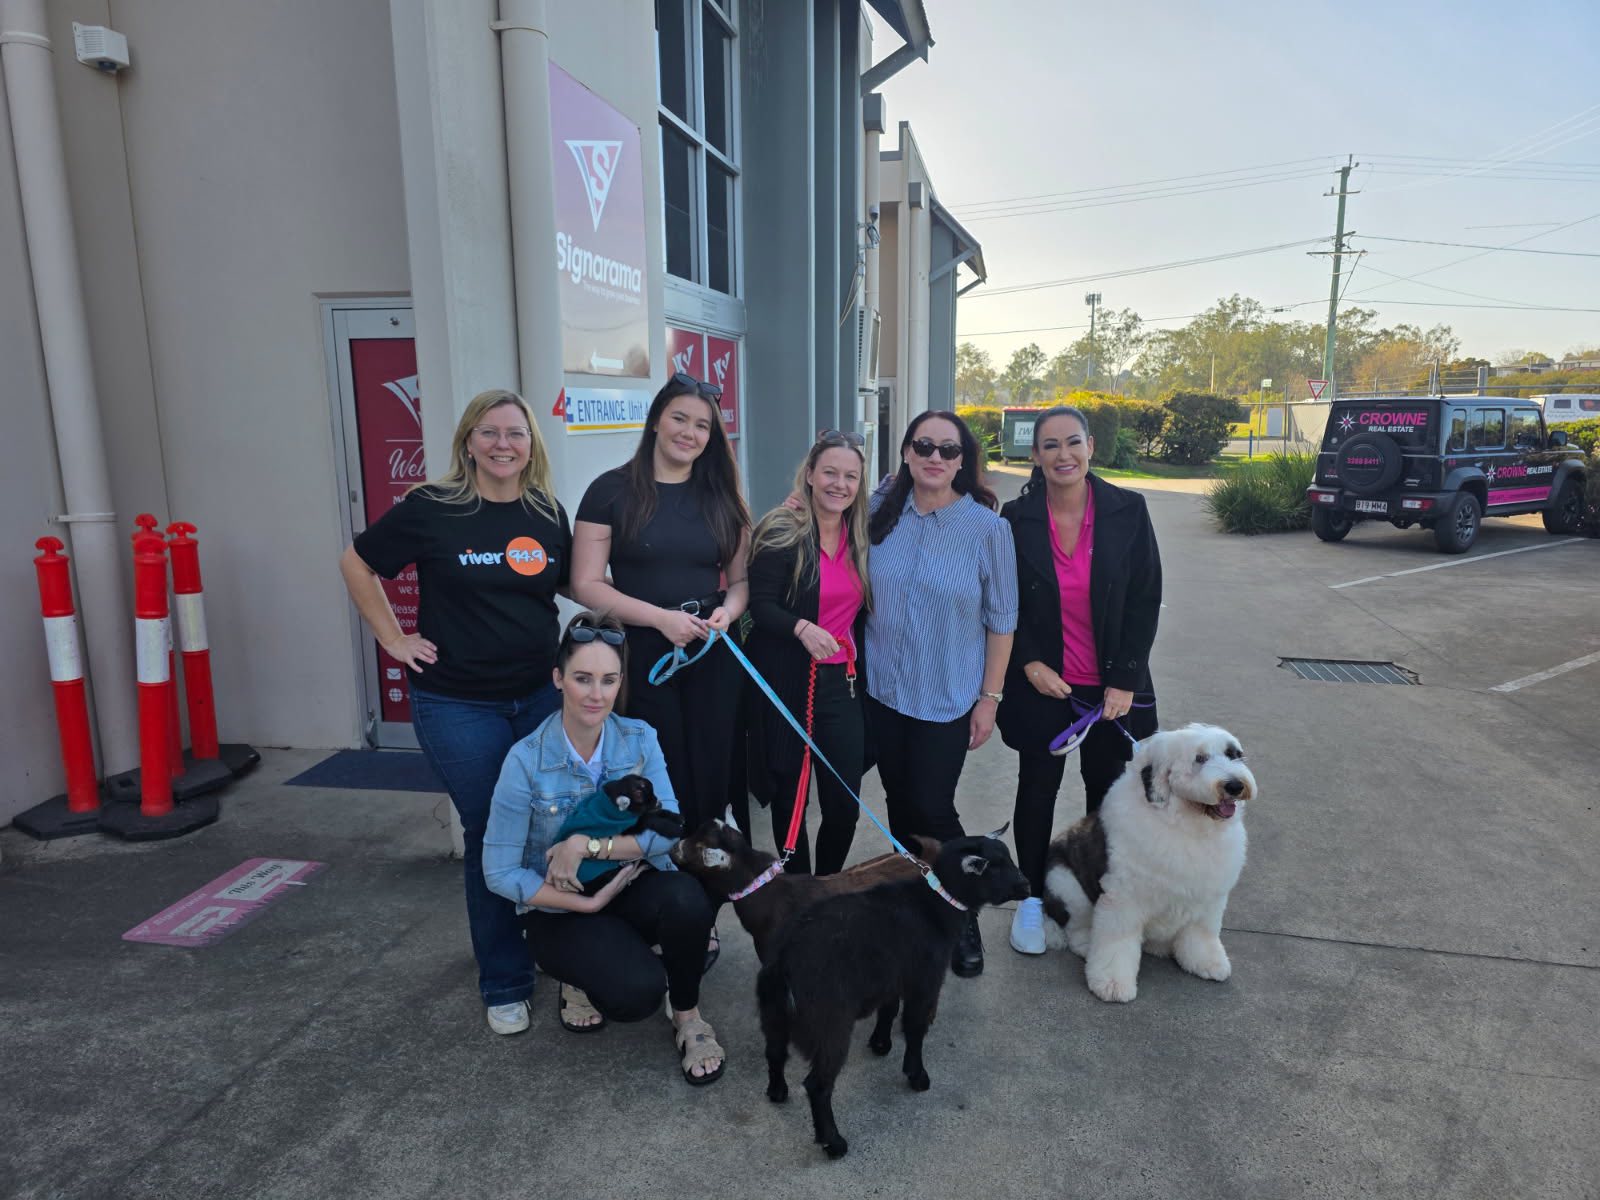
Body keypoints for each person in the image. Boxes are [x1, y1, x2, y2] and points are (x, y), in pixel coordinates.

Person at [338, 388, 569, 1036]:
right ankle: (505, 978)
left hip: (539, 696)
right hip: (458, 702)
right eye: (489, 432)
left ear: (531, 444)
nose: (503, 444)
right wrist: (393, 638)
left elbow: (569, 584)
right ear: (468, 441)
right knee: (493, 828)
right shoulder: (433, 507)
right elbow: (356, 563)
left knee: (548, 824)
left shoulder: (546, 510)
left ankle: (554, 949)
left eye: (515, 433)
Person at [482, 613, 725, 1084]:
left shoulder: (639, 738)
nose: (596, 694)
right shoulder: (526, 761)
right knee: (635, 995)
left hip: (629, 884)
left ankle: (689, 1015)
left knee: (688, 898)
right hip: (561, 907)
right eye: (583, 678)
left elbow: (668, 831)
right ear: (558, 679)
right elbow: (499, 871)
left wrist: (587, 845)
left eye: (609, 680)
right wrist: (587, 903)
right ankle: (579, 976)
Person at [997, 405, 1163, 957]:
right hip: (1045, 685)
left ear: (1090, 447)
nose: (1063, 454)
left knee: (1107, 796)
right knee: (1036, 789)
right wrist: (1029, 662)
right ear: (1035, 454)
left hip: (1111, 690)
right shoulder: (1016, 519)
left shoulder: (1128, 510)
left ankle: (1098, 899)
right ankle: (1030, 899)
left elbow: (1144, 599)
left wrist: (1125, 679)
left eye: (1073, 442)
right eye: (1050, 445)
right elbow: (1005, 602)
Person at [865, 410, 1017, 977]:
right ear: (906, 452)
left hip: (945, 698)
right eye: (923, 445)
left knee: (932, 807)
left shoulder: (986, 529)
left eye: (948, 450)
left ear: (962, 460)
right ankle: (916, 903)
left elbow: (1002, 621)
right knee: (899, 805)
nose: (935, 457)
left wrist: (989, 699)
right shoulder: (879, 510)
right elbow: (825, 506)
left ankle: (962, 909)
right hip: (881, 692)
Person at [570, 373, 751, 837]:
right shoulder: (609, 491)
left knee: (715, 765)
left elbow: (739, 582)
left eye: (702, 426)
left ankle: (712, 857)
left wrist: (728, 613)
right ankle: (664, 862)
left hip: (711, 648)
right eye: (679, 419)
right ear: (655, 420)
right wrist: (660, 619)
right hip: (642, 650)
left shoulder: (722, 496)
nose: (689, 433)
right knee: (658, 767)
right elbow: (585, 583)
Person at [747, 430, 872, 875]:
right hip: (788, 679)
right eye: (830, 473)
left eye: (851, 476)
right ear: (811, 476)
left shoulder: (863, 535)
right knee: (790, 798)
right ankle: (797, 891)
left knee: (844, 803)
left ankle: (828, 885)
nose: (840, 484)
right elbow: (760, 605)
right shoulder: (782, 530)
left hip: (842, 683)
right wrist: (800, 628)